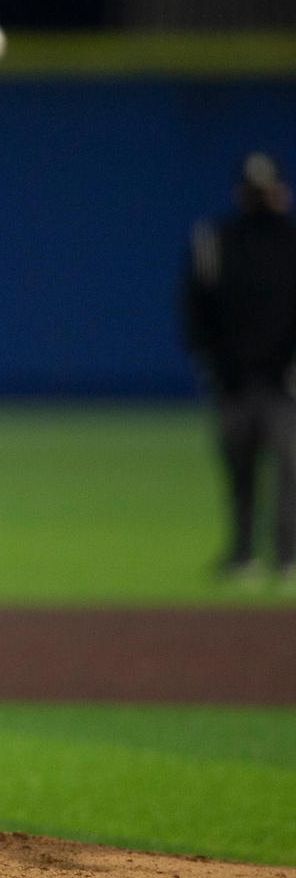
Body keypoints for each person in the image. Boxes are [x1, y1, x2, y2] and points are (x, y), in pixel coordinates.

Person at [183, 151, 296, 581]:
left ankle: (286, 557)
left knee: (288, 472)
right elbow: (195, 312)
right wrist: (214, 364)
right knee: (241, 473)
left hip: (283, 383)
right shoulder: (215, 243)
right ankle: (245, 553)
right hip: (236, 382)